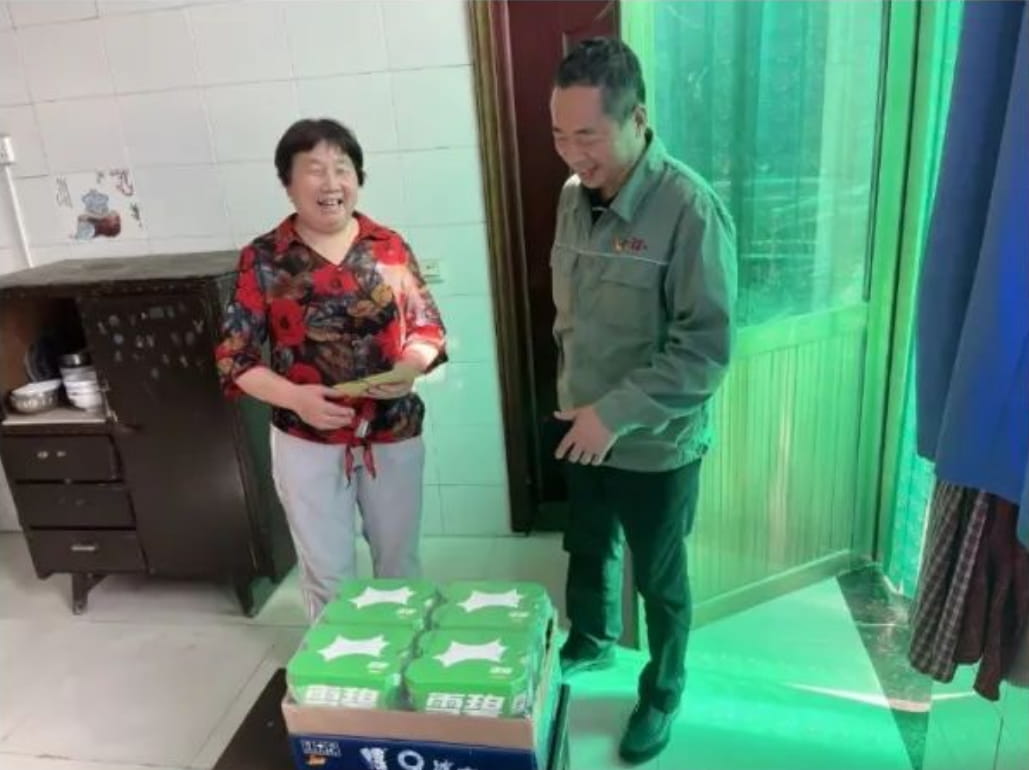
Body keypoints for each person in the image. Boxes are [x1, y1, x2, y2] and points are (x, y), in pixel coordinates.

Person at [548, 38, 737, 764]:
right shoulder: (572, 197)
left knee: (659, 578)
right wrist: (582, 409)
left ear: (637, 119)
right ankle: (592, 638)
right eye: (560, 136)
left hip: (654, 441)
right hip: (580, 421)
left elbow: (704, 350)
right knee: (588, 542)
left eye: (587, 136)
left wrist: (614, 414)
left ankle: (663, 691)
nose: (573, 155)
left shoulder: (689, 209)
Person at [215, 118, 447, 622]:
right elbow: (236, 358)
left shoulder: (388, 246)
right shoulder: (264, 259)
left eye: (342, 168)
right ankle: (340, 664)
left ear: (358, 178)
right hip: (307, 441)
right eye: (314, 169)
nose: (331, 182)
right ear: (288, 182)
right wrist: (296, 399)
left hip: (392, 433)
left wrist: (410, 366)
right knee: (327, 574)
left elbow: (428, 329)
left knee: (399, 564)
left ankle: (401, 657)